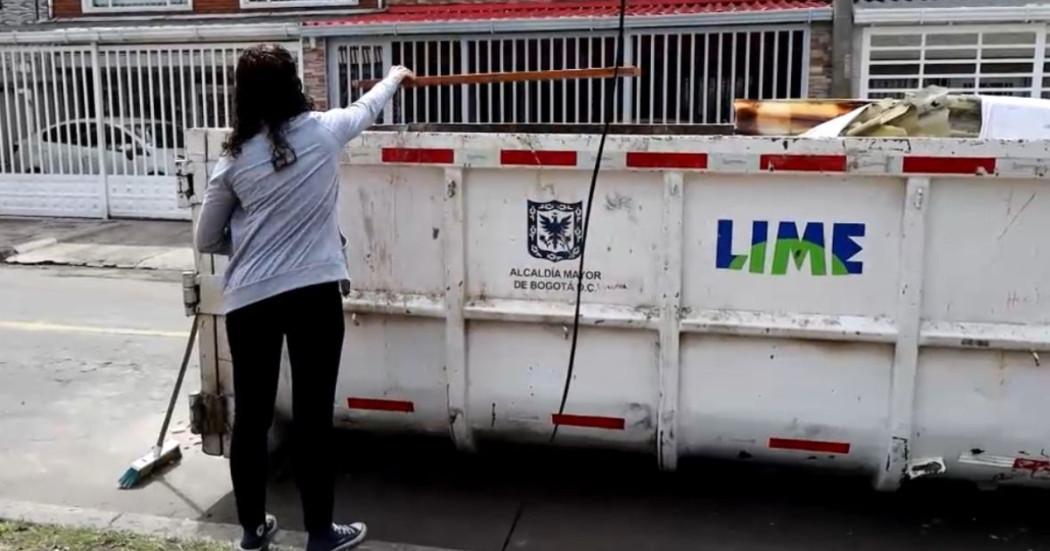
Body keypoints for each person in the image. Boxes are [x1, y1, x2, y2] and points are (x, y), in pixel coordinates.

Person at [195, 43, 414, 551]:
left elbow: (207, 239)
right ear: (294, 84)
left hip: (250, 301)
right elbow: (367, 109)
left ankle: (252, 533)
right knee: (314, 417)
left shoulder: (232, 161)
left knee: (251, 419)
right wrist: (394, 76)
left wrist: (250, 244)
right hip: (314, 294)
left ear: (243, 95)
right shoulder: (323, 132)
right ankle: (320, 535)